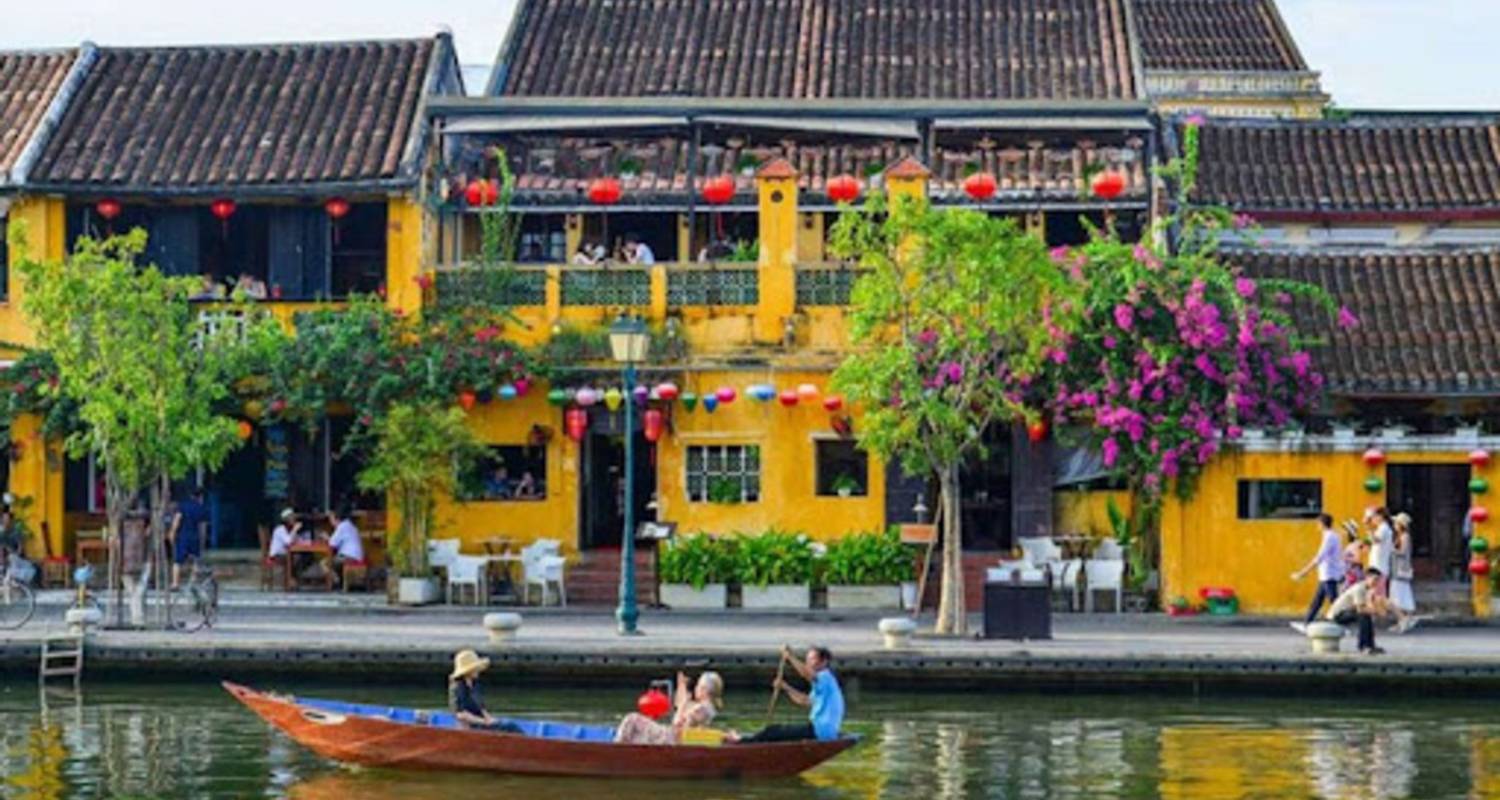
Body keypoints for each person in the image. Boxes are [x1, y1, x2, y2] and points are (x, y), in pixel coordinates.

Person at [731, 646, 844, 743]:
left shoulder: (825, 676)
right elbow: (804, 701)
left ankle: (741, 742)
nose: (808, 663)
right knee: (773, 732)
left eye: (812, 659)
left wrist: (789, 657)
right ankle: (747, 740)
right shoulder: (821, 685)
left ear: (824, 662)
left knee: (773, 731)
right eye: (807, 659)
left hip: (820, 730)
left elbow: (805, 674)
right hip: (820, 730)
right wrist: (786, 687)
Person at [614, 671, 725, 745]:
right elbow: (680, 710)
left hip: (669, 738)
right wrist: (682, 690)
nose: (695, 688)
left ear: (704, 690)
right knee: (634, 733)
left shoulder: (701, 709)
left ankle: (614, 750)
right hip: (671, 736)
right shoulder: (706, 708)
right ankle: (619, 750)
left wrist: (683, 704)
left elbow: (676, 724)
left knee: (631, 719)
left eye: (698, 686)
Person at [1290, 513, 1344, 633]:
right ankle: (1307, 623)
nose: (1317, 526)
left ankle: (1343, 624)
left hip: (1329, 573)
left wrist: (1303, 572)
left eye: (1318, 524)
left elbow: (1319, 557)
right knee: (1318, 601)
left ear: (1322, 524)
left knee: (1334, 602)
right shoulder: (1333, 536)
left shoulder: (1329, 537)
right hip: (1327, 573)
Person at [448, 649, 521, 732]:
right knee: (509, 726)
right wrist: (484, 722)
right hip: (467, 726)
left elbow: (481, 707)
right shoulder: (457, 687)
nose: (478, 670)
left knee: (510, 725)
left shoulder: (475, 684)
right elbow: (461, 714)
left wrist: (489, 719)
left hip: (480, 722)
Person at [1327, 568, 1390, 655]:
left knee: (1366, 616)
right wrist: (1377, 611)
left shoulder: (1367, 589)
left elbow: (1367, 606)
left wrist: (1376, 609)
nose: (1376, 582)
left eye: (1378, 580)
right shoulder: (1359, 588)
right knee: (1363, 616)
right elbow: (1360, 609)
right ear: (1367, 578)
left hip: (1348, 612)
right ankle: (1363, 646)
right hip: (1337, 615)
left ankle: (1371, 646)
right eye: (1374, 579)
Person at [169, 487, 210, 590]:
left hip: (183, 536)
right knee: (196, 560)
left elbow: (177, 520)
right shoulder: (201, 508)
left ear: (191, 496)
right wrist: (203, 540)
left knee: (177, 561)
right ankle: (192, 582)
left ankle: (175, 583)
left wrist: (172, 533)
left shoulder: (183, 506)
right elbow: (203, 527)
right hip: (195, 537)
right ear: (200, 497)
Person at [120, 504, 150, 628]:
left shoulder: (124, 529)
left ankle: (138, 618)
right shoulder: (142, 533)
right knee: (136, 592)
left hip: (129, 563)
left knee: (135, 592)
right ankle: (138, 619)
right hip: (134, 563)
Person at [1389, 513, 1420, 633]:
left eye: (1396, 523)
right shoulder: (1399, 536)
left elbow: (1402, 552)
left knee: (1399, 594)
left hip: (1401, 568)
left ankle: (1405, 619)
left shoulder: (1405, 536)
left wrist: (1391, 550)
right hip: (1396, 567)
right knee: (1397, 595)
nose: (1394, 525)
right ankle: (1401, 620)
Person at [323, 506, 364, 589]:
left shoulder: (342, 527)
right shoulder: (349, 525)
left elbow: (332, 544)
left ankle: (336, 582)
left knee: (324, 563)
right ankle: (339, 581)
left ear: (336, 519)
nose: (330, 522)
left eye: (331, 519)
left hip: (349, 557)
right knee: (335, 561)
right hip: (356, 556)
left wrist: (326, 537)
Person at [1366, 507, 1394, 595]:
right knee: (1378, 592)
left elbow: (1375, 540)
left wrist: (1369, 528)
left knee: (1378, 593)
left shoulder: (1384, 528)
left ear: (1381, 517)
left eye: (1375, 516)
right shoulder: (1382, 528)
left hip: (1379, 566)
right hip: (1378, 565)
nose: (1373, 519)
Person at [1342, 520, 1366, 588]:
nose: (1343, 533)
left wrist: (1345, 558)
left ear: (1350, 532)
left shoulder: (1355, 544)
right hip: (1350, 577)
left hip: (1354, 577)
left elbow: (1358, 559)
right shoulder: (1352, 544)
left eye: (1345, 530)